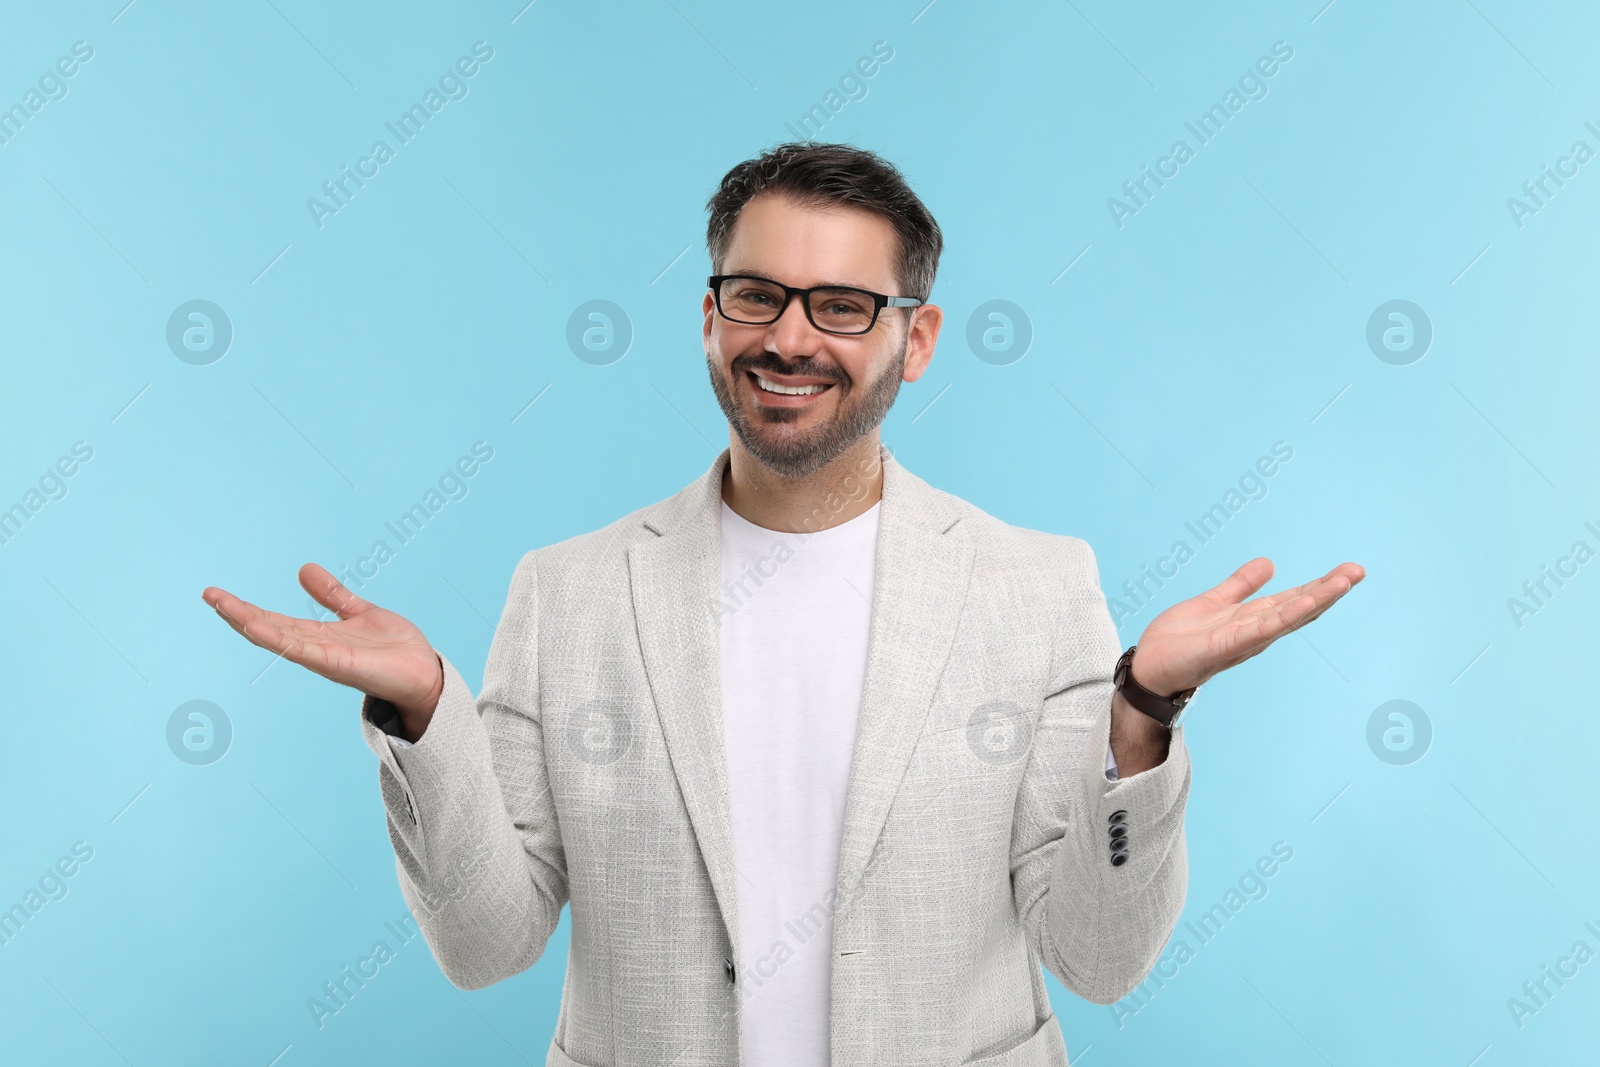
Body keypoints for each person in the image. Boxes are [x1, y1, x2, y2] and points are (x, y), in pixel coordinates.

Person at [202, 143, 1363, 1067]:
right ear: (709, 316)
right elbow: (484, 945)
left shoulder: (1037, 586)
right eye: (757, 294)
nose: (790, 337)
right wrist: (427, 714)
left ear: (916, 341)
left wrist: (1142, 708)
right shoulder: (566, 592)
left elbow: (1098, 959)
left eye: (843, 305)